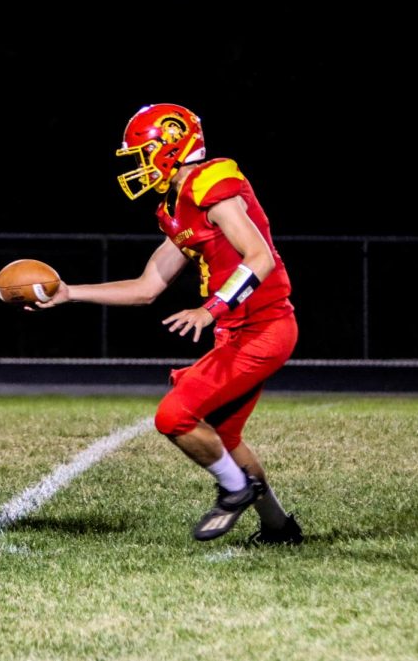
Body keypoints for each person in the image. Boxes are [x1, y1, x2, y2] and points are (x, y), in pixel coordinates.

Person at [35, 103, 303, 545]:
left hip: (264, 326)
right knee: (225, 436)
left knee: (174, 415)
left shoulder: (211, 181)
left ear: (170, 146)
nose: (138, 164)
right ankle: (279, 528)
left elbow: (261, 258)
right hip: (238, 330)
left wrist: (210, 308)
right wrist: (69, 292)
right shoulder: (177, 205)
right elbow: (147, 286)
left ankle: (235, 490)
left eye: (142, 152)